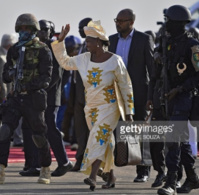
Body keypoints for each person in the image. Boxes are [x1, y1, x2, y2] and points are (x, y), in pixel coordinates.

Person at [51, 20, 134, 190]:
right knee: (105, 140)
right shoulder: (83, 59)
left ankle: (93, 176)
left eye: (89, 41)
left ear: (99, 42)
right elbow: (65, 63)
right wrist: (61, 41)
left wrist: (129, 112)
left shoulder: (115, 60)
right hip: (91, 109)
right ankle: (111, 177)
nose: (86, 44)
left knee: (97, 137)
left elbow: (126, 86)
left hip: (110, 107)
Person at [0, 13, 52, 184]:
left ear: (33, 30)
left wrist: (28, 85)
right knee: (4, 131)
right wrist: (11, 74)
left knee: (38, 135)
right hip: (15, 98)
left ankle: (45, 169)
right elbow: (5, 74)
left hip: (33, 98)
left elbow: (46, 78)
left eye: (27, 28)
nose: (23, 32)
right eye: (20, 29)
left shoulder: (43, 49)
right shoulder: (14, 49)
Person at [19, 19, 73, 177]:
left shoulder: (54, 47)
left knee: (50, 129)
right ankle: (36, 165)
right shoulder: (35, 46)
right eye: (39, 29)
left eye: (45, 29)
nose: (41, 32)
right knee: (35, 130)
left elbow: (56, 74)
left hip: (49, 97)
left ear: (51, 31)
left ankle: (64, 162)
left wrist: (40, 88)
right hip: (35, 96)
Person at [154, 5, 199, 195]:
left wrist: (180, 89)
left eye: (169, 21)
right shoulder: (166, 43)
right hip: (167, 98)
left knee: (173, 138)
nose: (166, 24)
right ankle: (192, 178)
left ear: (178, 23)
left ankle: (172, 181)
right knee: (181, 139)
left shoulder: (192, 45)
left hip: (184, 97)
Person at [108, 8, 153, 182]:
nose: (118, 23)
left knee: (140, 131)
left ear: (131, 22)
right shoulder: (111, 40)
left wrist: (151, 96)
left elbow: (151, 70)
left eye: (121, 21)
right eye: (116, 20)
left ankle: (144, 170)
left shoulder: (144, 39)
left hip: (138, 94)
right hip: (115, 94)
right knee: (116, 131)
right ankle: (112, 168)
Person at [69, 17, 92, 171]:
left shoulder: (98, 47)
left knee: (91, 131)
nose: (78, 30)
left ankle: (90, 163)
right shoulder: (83, 46)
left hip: (91, 95)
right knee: (80, 130)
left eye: (81, 27)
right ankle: (80, 160)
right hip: (78, 94)